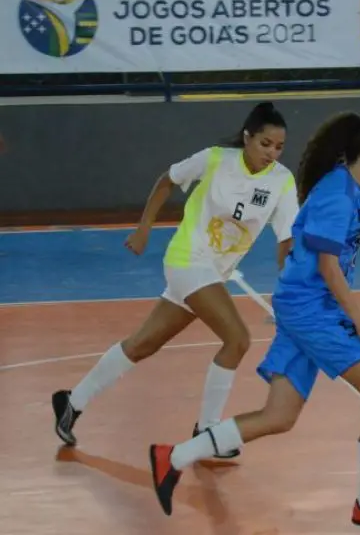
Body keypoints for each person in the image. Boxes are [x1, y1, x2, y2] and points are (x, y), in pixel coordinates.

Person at [148, 112, 360, 531]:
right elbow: (328, 264)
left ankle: (175, 456)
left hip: (304, 305)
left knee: (280, 416)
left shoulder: (352, 191)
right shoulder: (337, 195)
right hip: (312, 309)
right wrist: (359, 316)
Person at [51, 101, 299, 460]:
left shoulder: (281, 180)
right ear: (247, 137)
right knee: (238, 339)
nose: (271, 153)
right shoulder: (215, 159)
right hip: (187, 260)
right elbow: (167, 180)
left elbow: (286, 239)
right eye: (265, 144)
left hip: (213, 273)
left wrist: (290, 284)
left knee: (142, 345)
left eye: (278, 147)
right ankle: (207, 429)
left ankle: (71, 402)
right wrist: (143, 228)